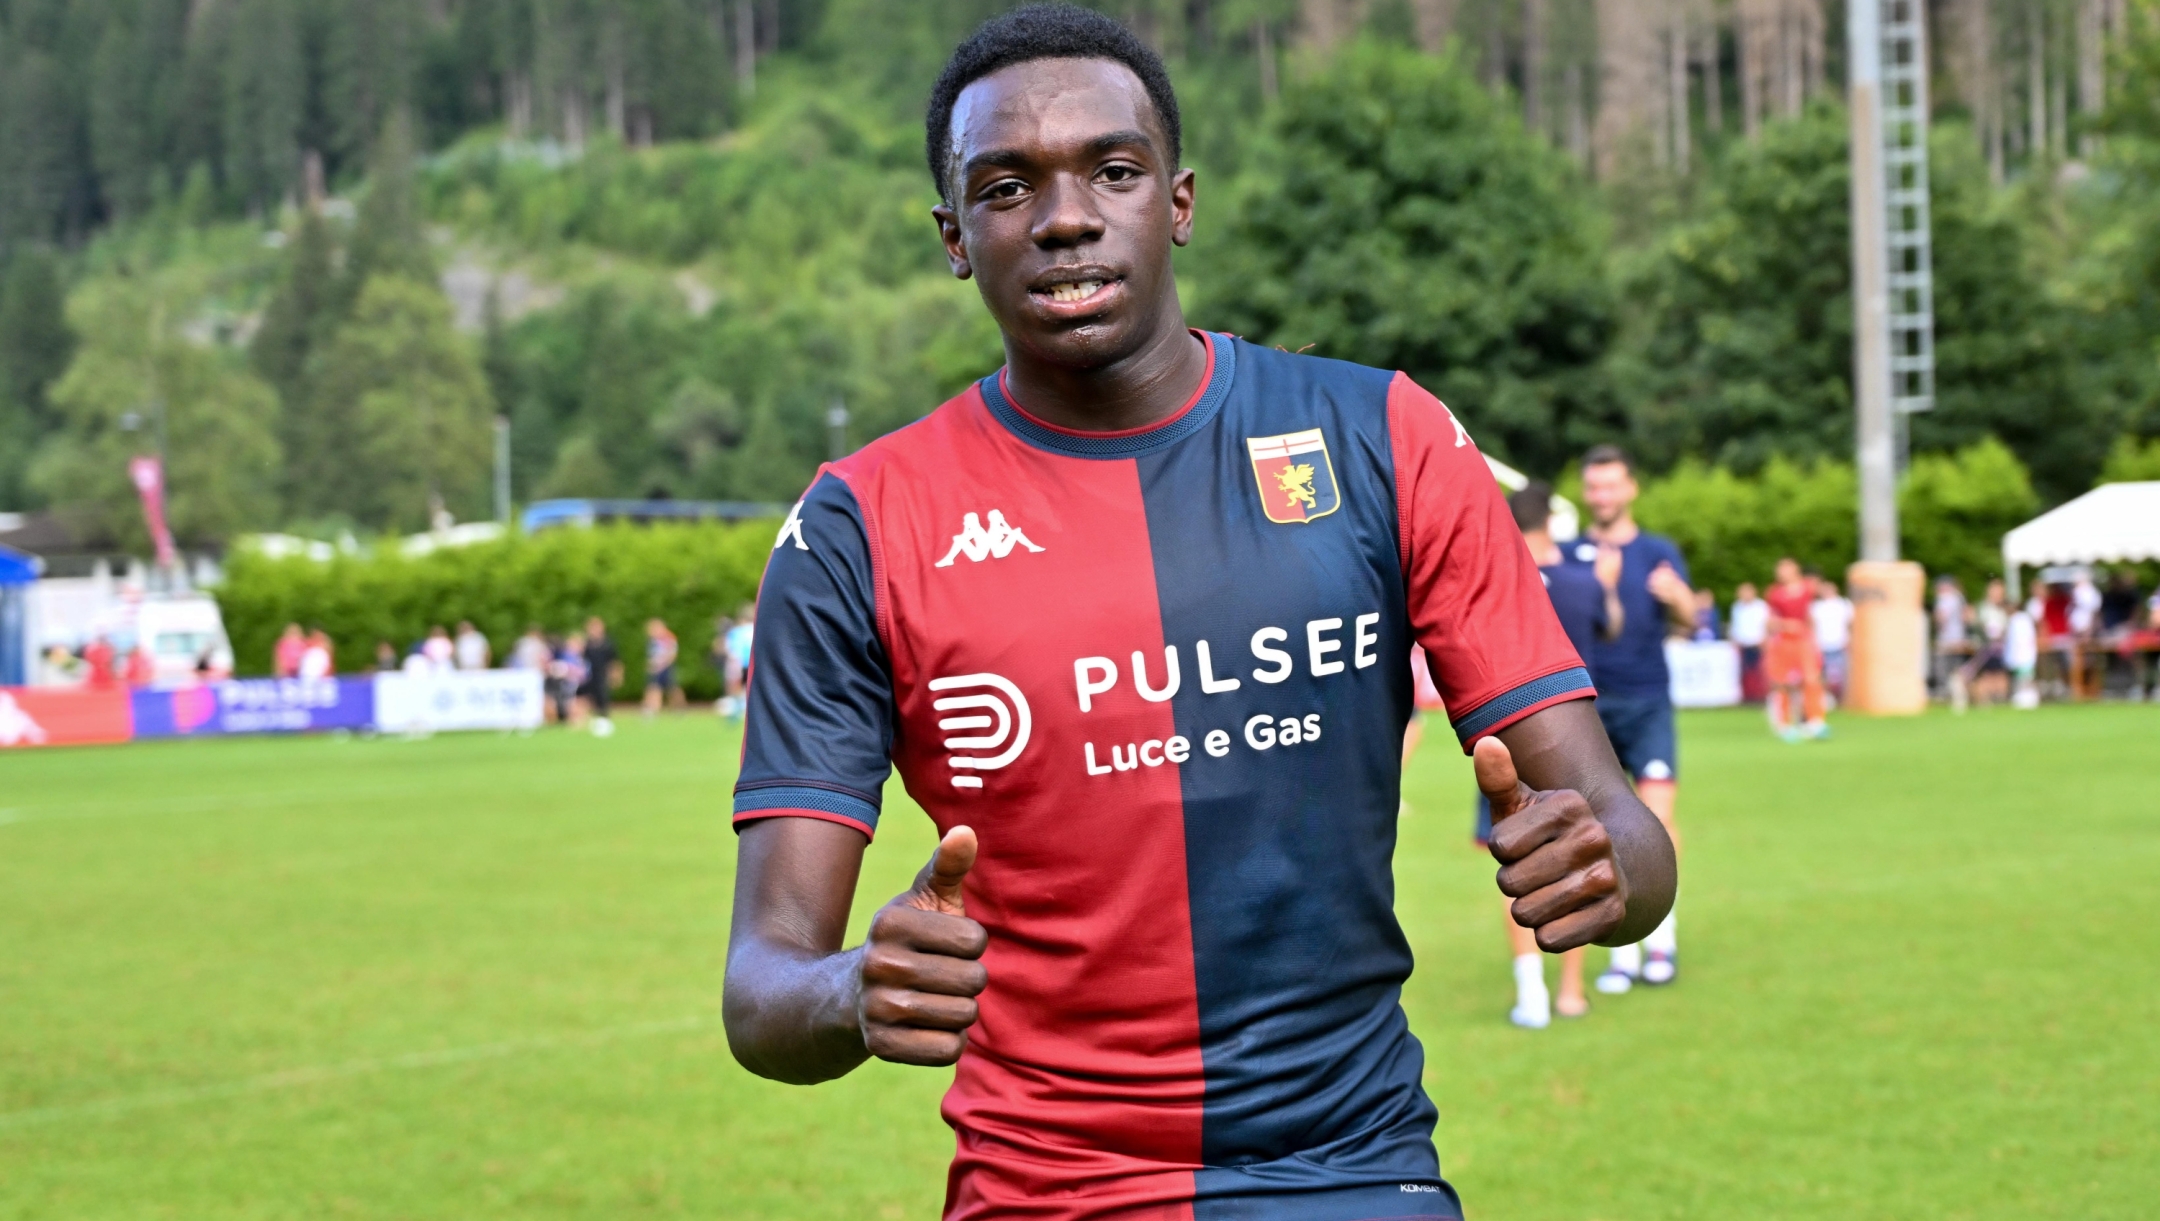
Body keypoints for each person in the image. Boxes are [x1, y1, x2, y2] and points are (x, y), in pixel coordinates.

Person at [721, 11, 1677, 1219]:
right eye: (1006, 187)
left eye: (1112, 172)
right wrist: (852, 989)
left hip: (1353, 1173)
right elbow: (763, 990)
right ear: (954, 237)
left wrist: (1602, 868)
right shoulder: (860, 524)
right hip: (1043, 1193)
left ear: (1177, 202)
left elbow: (1627, 842)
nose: (1065, 217)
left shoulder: (1383, 438)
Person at [1473, 482, 1623, 1028]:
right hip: (1570, 740)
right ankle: (1571, 992)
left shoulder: (1495, 584)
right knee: (1573, 862)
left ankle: (1530, 993)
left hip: (1504, 741)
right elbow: (1611, 633)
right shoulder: (1584, 583)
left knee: (1516, 862)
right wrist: (1605, 588)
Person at [1571, 445, 1693, 994]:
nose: (1602, 496)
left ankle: (1660, 938)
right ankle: (1621, 946)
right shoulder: (1569, 555)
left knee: (1659, 819)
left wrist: (1679, 597)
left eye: (1611, 485)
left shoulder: (1658, 552)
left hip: (1648, 702)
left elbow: (1691, 620)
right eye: (1594, 487)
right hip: (1588, 706)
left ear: (1631, 488)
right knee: (1601, 830)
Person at [1763, 558, 1828, 740]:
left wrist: (1813, 637)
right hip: (1784, 640)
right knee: (1782, 682)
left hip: (1803, 640)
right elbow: (1770, 621)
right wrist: (1786, 625)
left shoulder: (1807, 588)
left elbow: (1810, 615)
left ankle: (1815, 721)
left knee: (1811, 680)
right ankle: (1783, 724)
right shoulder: (1775, 593)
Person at [1811, 577, 1854, 699]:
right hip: (1821, 645)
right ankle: (1826, 696)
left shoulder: (1844, 604)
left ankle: (1841, 698)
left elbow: (1850, 624)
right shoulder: (1816, 606)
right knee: (1822, 674)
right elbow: (1813, 626)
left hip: (1839, 643)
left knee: (1840, 675)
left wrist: (1849, 640)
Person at [1728, 582, 1770, 702]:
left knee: (1759, 671)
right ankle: (1748, 697)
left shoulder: (1761, 606)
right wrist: (1735, 640)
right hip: (1743, 644)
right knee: (1745, 672)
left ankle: (1761, 696)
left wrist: (1765, 639)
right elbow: (1735, 626)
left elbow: (1766, 624)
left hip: (1758, 644)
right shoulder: (1737, 607)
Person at [1932, 576, 1971, 697]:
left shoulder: (1944, 598)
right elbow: (1967, 617)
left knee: (1945, 670)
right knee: (1958, 670)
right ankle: (1960, 695)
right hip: (1959, 638)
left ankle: (1949, 694)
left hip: (1947, 640)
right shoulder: (1959, 598)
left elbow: (1941, 618)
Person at [581, 616, 619, 737]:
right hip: (588, 675)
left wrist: (615, 675)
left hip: (602, 675)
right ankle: (589, 719)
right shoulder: (587, 644)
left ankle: (604, 719)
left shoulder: (607, 643)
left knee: (602, 696)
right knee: (587, 698)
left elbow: (614, 661)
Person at [720, 603, 756, 720]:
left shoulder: (736, 632)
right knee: (751, 687)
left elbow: (731, 649)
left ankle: (737, 711)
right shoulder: (756, 629)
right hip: (753, 663)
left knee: (735, 687)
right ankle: (747, 710)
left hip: (739, 663)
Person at [643, 618, 682, 715]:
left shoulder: (668, 638)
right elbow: (652, 654)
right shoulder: (653, 640)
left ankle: (679, 707)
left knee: (672, 689)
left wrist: (662, 665)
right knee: (653, 687)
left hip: (665, 667)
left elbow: (672, 654)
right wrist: (651, 664)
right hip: (655, 668)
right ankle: (652, 708)